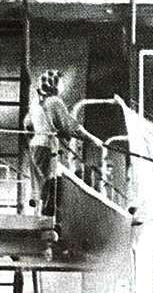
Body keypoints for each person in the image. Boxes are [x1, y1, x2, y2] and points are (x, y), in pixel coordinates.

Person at [24, 69, 102, 216]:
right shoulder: (55, 102)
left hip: (34, 145)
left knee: (38, 182)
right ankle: (47, 216)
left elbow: (28, 125)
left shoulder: (36, 102)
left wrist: (44, 129)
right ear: (55, 84)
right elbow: (71, 126)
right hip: (47, 146)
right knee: (50, 181)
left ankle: (37, 212)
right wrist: (93, 139)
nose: (63, 86)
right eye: (61, 83)